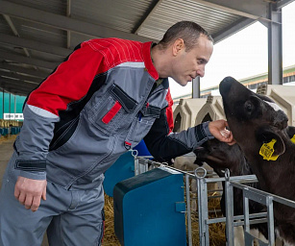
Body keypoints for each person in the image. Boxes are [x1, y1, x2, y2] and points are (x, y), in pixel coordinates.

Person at [0, 21, 234, 245]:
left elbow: (160, 146)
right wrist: (32, 168)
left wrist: (205, 130)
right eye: (200, 61)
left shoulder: (162, 98)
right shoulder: (108, 56)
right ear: (178, 46)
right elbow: (42, 103)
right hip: (44, 176)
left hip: (88, 191)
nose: (202, 72)